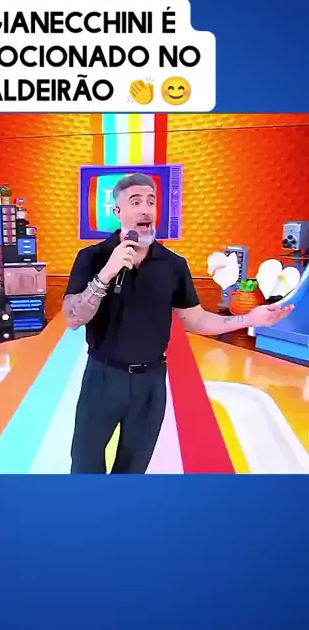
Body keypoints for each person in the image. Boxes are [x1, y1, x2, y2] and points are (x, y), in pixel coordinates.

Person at [64, 173, 294, 474]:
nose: (146, 209)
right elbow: (73, 318)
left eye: (151, 202)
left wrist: (249, 319)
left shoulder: (173, 265)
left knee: (133, 470)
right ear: (117, 211)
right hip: (103, 378)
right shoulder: (92, 257)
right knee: (85, 466)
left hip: (151, 382)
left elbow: (197, 319)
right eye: (136, 202)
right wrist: (107, 273)